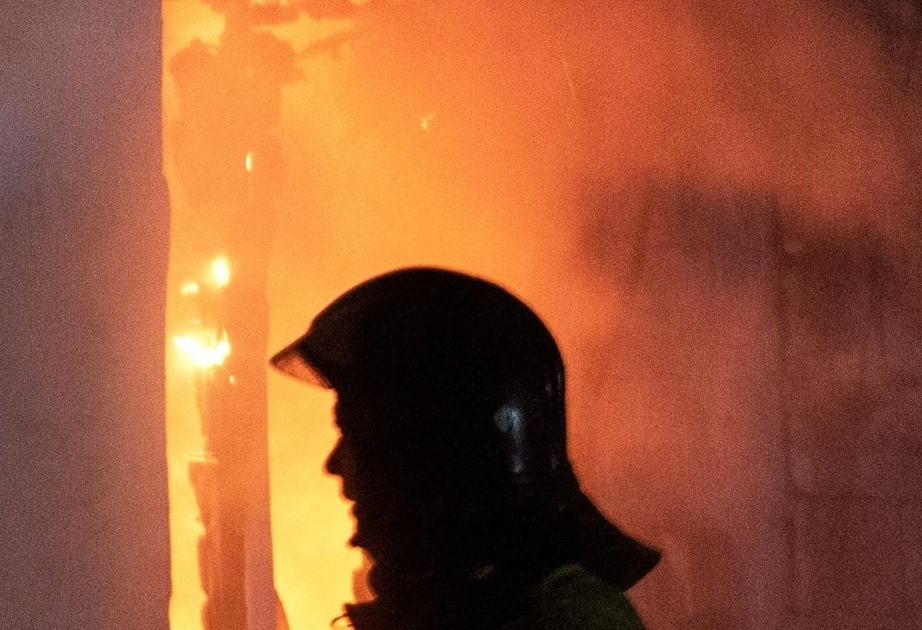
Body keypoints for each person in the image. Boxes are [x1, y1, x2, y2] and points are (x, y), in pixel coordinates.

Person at [270, 267, 659, 630]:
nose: (334, 464)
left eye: (354, 433)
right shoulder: (464, 604)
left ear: (427, 449)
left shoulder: (564, 618)